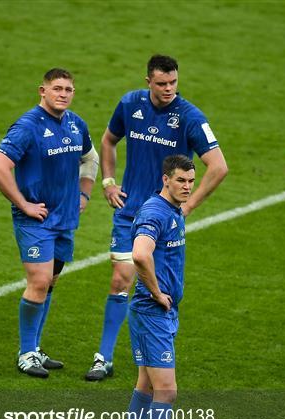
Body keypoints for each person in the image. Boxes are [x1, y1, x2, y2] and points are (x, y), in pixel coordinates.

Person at [85, 54, 228, 381]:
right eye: (162, 83)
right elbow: (108, 140)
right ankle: (103, 357)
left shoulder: (189, 116)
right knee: (122, 278)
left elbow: (218, 166)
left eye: (174, 83)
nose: (169, 89)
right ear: (148, 80)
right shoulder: (130, 104)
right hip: (129, 212)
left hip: (164, 219)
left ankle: (153, 358)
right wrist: (108, 182)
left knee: (161, 289)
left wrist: (187, 207)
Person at [0, 68, 98, 378]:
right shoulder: (27, 126)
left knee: (49, 283)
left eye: (68, 89)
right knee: (38, 282)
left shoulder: (76, 124)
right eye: (57, 88)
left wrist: (85, 194)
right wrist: (23, 203)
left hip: (65, 220)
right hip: (34, 220)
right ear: (43, 91)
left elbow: (89, 158)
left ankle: (35, 349)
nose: (63, 94)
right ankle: (26, 353)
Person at [119, 154, 201, 419]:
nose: (186, 187)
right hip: (152, 313)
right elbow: (140, 254)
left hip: (157, 314)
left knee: (146, 386)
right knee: (167, 390)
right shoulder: (155, 213)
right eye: (181, 180)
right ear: (166, 178)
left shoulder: (174, 210)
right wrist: (157, 293)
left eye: (191, 181)